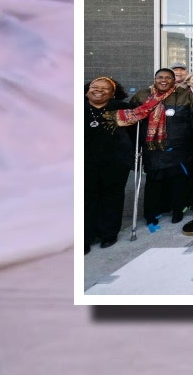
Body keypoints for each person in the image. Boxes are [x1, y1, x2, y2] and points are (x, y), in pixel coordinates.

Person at [116, 68, 193, 226]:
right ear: (155, 79)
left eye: (168, 78)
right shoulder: (142, 96)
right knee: (154, 180)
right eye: (160, 77)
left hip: (179, 145)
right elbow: (132, 119)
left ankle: (177, 210)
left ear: (174, 80)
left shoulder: (185, 95)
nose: (164, 80)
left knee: (178, 179)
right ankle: (152, 213)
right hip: (153, 147)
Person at [83, 76, 134, 253]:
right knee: (86, 199)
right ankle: (85, 236)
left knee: (112, 197)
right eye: (94, 87)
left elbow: (133, 133)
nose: (99, 90)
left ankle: (108, 233)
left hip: (116, 162)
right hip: (85, 162)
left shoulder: (122, 108)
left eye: (105, 88)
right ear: (87, 91)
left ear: (113, 93)